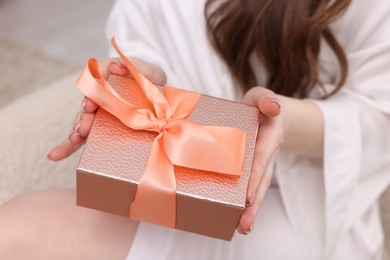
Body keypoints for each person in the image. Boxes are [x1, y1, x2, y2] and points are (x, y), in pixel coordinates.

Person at [0, 0, 389, 259]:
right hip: (171, 185)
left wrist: (281, 119)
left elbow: (377, 117)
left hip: (300, 206)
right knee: (12, 232)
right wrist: (137, 78)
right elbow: (144, 37)